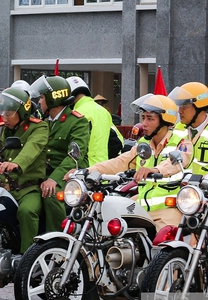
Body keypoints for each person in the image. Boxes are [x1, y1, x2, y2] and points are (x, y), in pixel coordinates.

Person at [79, 94, 192, 229]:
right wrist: (86, 171)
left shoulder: (182, 141)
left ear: (164, 121)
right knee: (108, 224)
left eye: (150, 119)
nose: (144, 123)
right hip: (141, 205)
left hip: (169, 208)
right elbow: (120, 162)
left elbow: (176, 161)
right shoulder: (143, 143)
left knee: (164, 244)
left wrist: (156, 170)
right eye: (143, 118)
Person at [0, 87, 49, 254]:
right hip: (5, 188)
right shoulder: (2, 129)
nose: (4, 118)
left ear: (22, 112)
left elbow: (31, 150)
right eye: (2, 114)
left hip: (28, 188)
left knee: (27, 211)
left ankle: (27, 260)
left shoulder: (39, 128)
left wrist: (16, 164)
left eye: (8, 114)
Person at [30, 75, 90, 234]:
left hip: (69, 174)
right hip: (44, 173)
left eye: (42, 97)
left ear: (53, 99)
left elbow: (74, 156)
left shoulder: (78, 121)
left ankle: (56, 240)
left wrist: (53, 179)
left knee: (51, 194)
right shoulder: (44, 122)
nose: (39, 102)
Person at [167, 82, 208, 179]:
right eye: (179, 106)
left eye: (184, 106)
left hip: (205, 191)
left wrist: (203, 179)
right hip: (174, 189)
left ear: (199, 107)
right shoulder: (176, 128)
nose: (180, 111)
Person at [65, 76, 121, 164]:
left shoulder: (76, 113)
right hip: (104, 169)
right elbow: (118, 141)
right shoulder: (104, 112)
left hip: (83, 170)